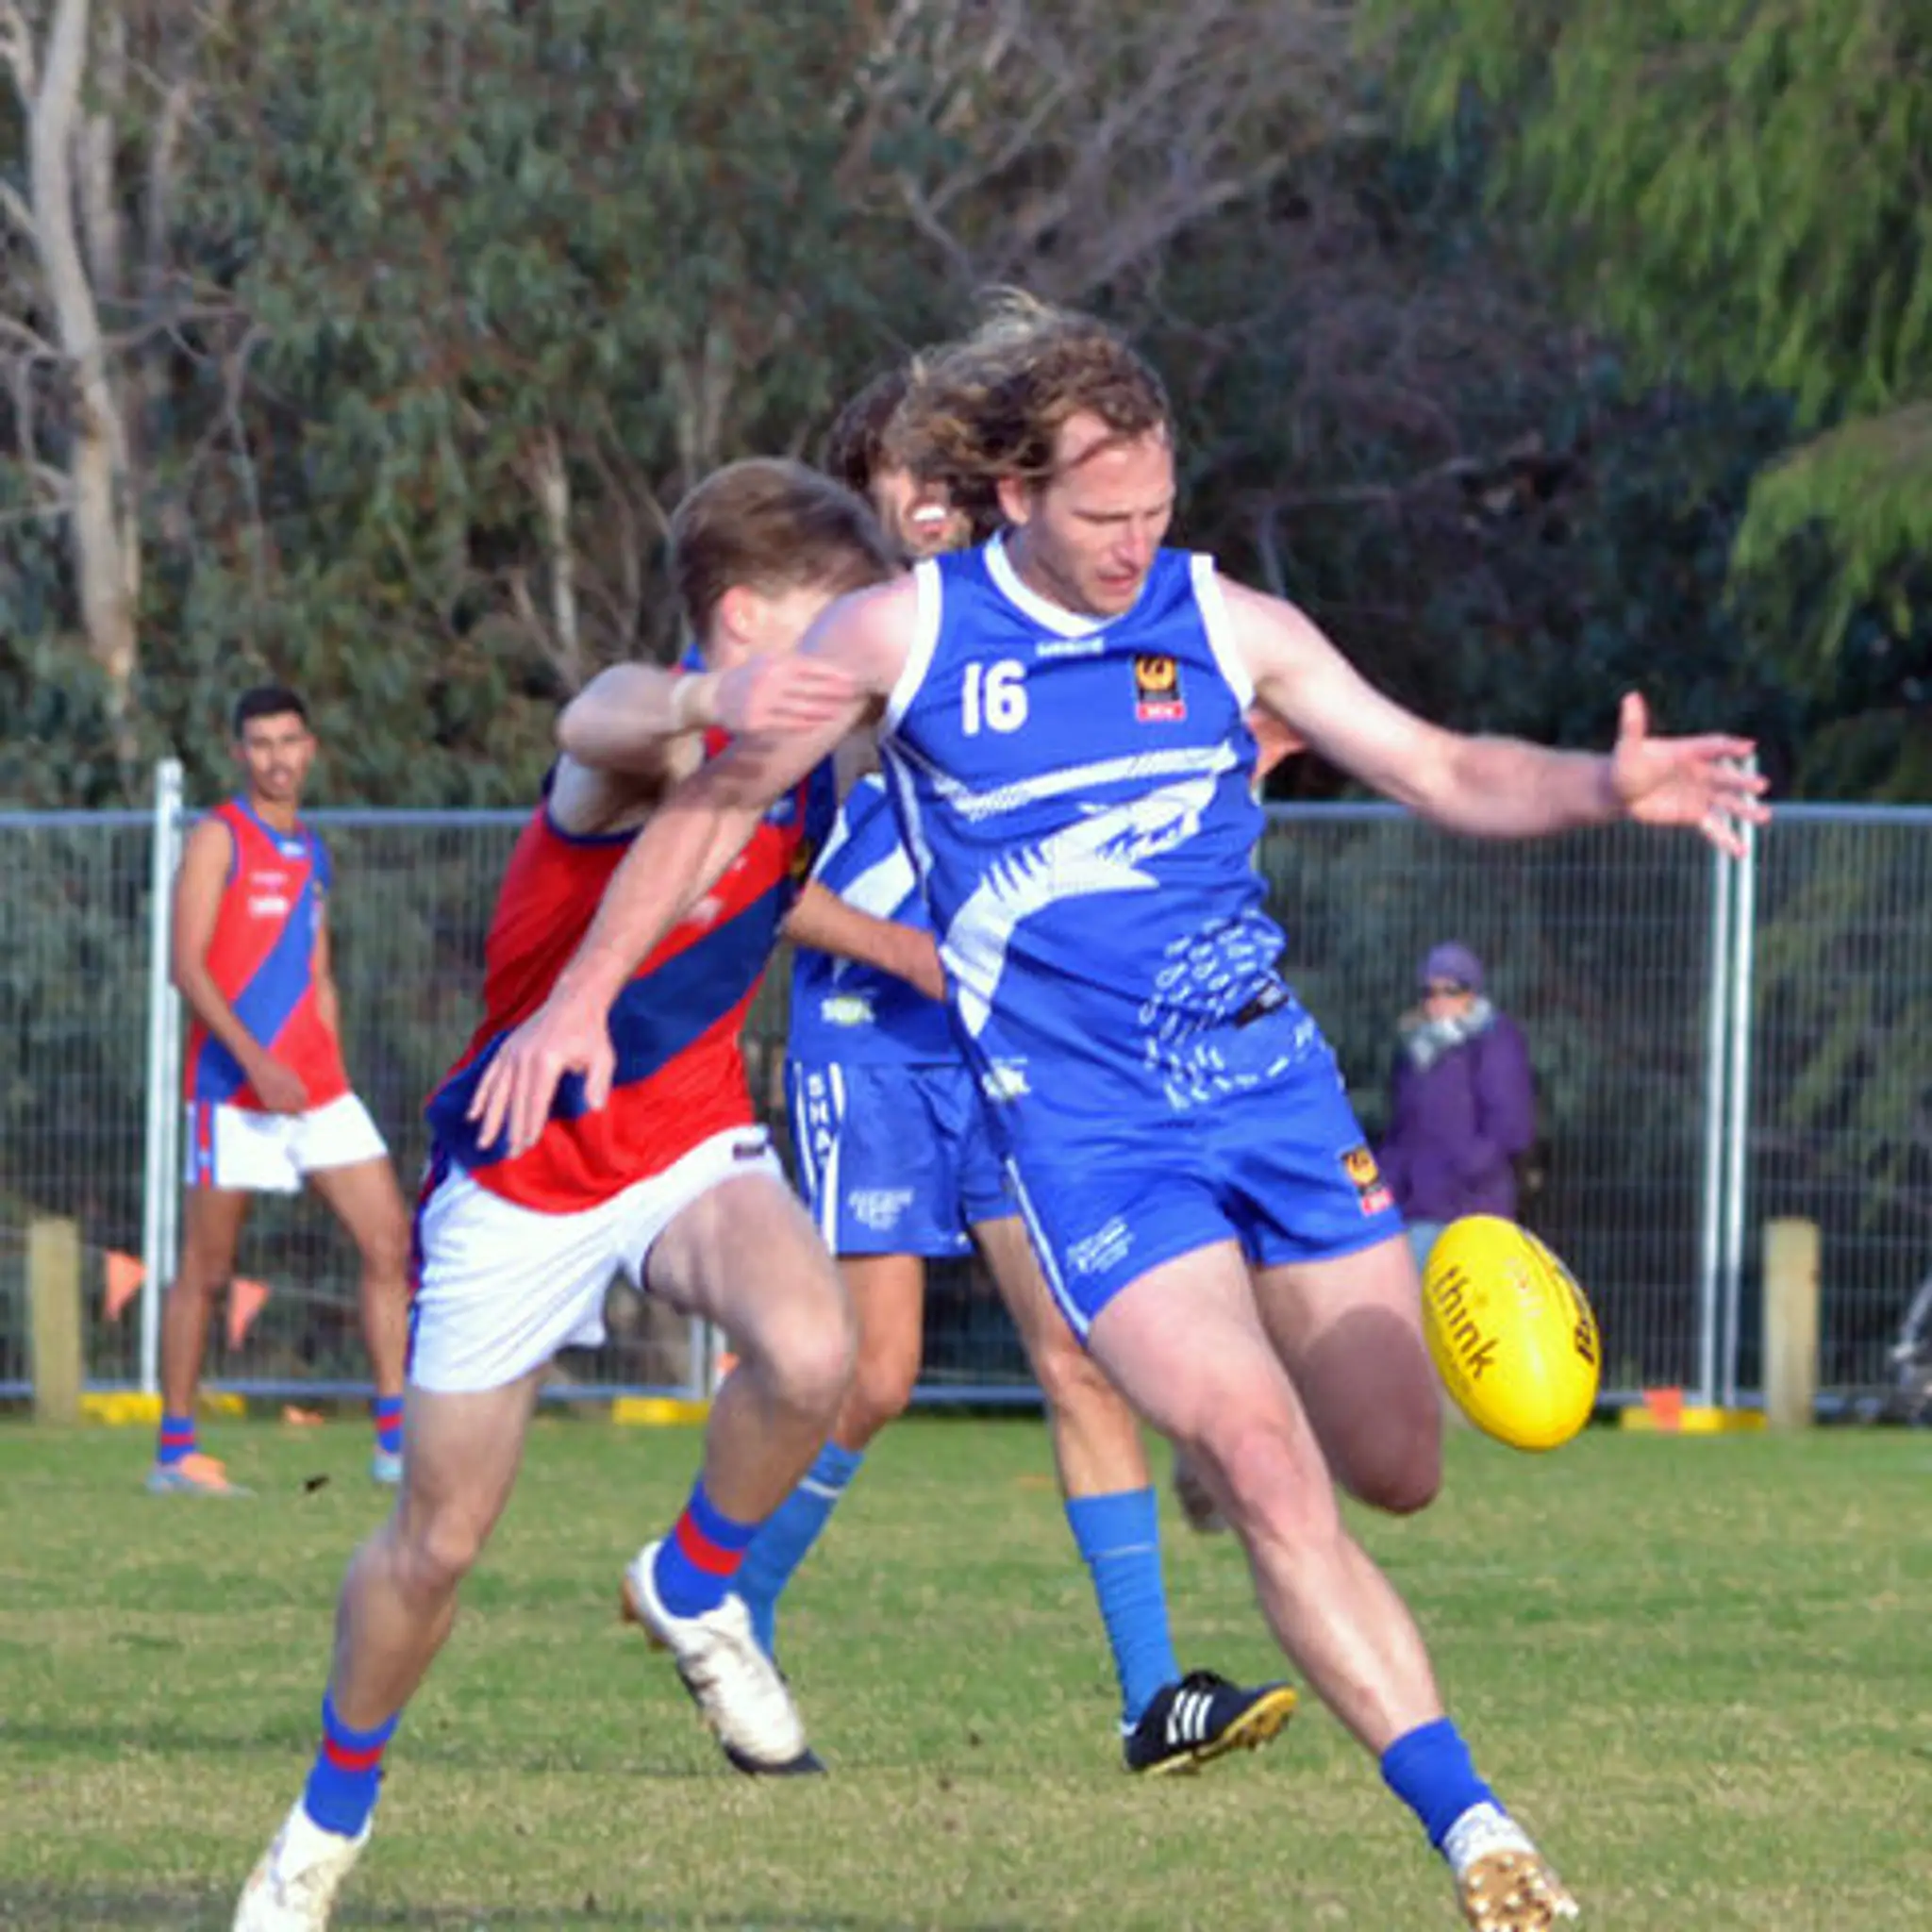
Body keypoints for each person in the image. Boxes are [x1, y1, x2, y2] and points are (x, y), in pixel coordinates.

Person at [467, 294, 1769, 1931]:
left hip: (1272, 1097)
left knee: (1394, 1467)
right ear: (1014, 495)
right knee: (1253, 1456)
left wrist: (1599, 784)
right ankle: (1480, 1834)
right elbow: (708, 787)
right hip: (1092, 1145)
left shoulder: (1221, 621)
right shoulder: (906, 632)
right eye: (1100, 517)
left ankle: (1412, 1298)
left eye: (1153, 511)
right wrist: (583, 994)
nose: (1131, 544)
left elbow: (1436, 767)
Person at [232, 460, 912, 1930]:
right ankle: (327, 1818)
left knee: (812, 1351)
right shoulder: (648, 739)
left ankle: (692, 1578)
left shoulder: (810, 758)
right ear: (742, 620)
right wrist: (697, 705)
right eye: (836, 618)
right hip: (525, 1167)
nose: (867, 646)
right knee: (441, 1542)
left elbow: (761, 881)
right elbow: (589, 714)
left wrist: (910, 953)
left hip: (685, 1143)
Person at [739, 368, 1295, 1775]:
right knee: (873, 1377)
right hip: (869, 1043)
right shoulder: (857, 657)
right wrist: (906, 955)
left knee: (1079, 1358)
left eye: (944, 479)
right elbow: (759, 884)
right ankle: (726, 1599)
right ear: (860, 493)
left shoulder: (1034, 639)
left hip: (1011, 1055)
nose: (925, 505)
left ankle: (1152, 1697)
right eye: (899, 481)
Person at [149, 686, 412, 1497]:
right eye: (259, 742)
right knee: (208, 1267)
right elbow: (185, 966)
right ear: (240, 753)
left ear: (311, 747)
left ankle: (397, 1445)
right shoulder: (217, 838)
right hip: (234, 1090)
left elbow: (316, 966)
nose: (276, 757)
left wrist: (322, 1053)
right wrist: (257, 1062)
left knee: (389, 1244)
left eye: (289, 740)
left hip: (316, 1088)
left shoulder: (314, 851)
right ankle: (175, 1452)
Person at [1376, 943, 1537, 1273]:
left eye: (1451, 990)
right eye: (1429, 992)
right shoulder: (1415, 1051)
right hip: (1417, 1206)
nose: (1438, 1001)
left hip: (1473, 1209)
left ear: (1471, 994)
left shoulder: (1494, 1043)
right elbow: (1403, 1131)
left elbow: (1512, 1127)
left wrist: (1470, 1166)